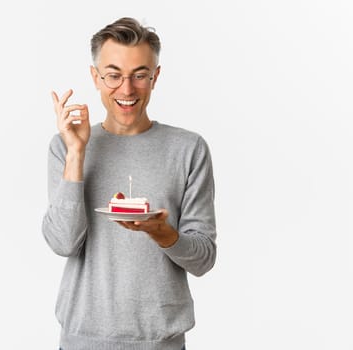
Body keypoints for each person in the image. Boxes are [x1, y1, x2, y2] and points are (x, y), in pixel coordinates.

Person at [42, 17, 217, 350]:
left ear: (156, 77)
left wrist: (163, 234)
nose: (126, 89)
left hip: (160, 341)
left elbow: (204, 258)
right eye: (113, 75)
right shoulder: (64, 146)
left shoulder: (188, 149)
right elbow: (63, 242)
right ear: (95, 77)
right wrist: (78, 153)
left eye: (140, 75)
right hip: (82, 340)